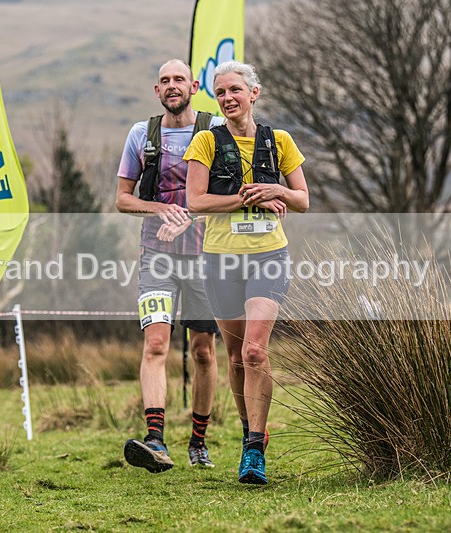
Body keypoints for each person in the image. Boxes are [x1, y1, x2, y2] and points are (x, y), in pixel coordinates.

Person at [184, 60, 309, 484]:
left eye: (235, 90)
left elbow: (302, 200)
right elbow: (196, 202)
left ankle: (255, 450)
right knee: (236, 357)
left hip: (268, 256)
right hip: (221, 259)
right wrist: (247, 198)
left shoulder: (280, 141)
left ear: (254, 93)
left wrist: (277, 189)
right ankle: (248, 429)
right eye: (220, 93)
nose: (227, 98)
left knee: (255, 351)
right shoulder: (206, 141)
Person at [116, 59, 224, 473]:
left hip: (206, 256)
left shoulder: (216, 130)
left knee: (203, 351)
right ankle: (155, 442)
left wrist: (189, 218)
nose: (172, 85)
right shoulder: (141, 134)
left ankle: (199, 442)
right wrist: (161, 209)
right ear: (156, 90)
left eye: (179, 79)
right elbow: (123, 199)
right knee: (156, 345)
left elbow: (229, 193)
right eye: (165, 80)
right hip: (156, 257)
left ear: (194, 86)